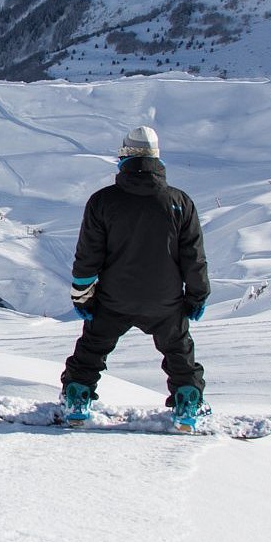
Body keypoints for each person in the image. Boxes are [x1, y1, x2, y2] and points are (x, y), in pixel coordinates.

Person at [62, 125, 211, 428]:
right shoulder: (179, 202)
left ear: (123, 157)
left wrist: (82, 295)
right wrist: (197, 295)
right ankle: (187, 404)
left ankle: (77, 399)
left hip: (113, 298)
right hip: (165, 301)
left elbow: (88, 256)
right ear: (158, 160)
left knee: (92, 349)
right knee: (179, 352)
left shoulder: (103, 201)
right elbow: (193, 258)